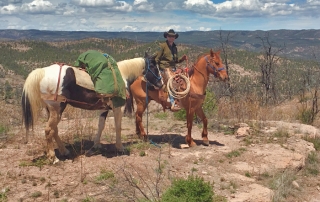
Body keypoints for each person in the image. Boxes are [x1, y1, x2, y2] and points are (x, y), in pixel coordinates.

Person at [154, 29, 187, 111]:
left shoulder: (174, 47)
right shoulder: (162, 46)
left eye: (173, 36)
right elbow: (157, 58)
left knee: (184, 79)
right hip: (164, 68)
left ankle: (184, 100)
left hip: (173, 68)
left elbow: (175, 60)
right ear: (167, 37)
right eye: (169, 36)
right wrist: (157, 68)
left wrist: (182, 59)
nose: (171, 38)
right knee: (171, 82)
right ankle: (173, 102)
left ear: (175, 38)